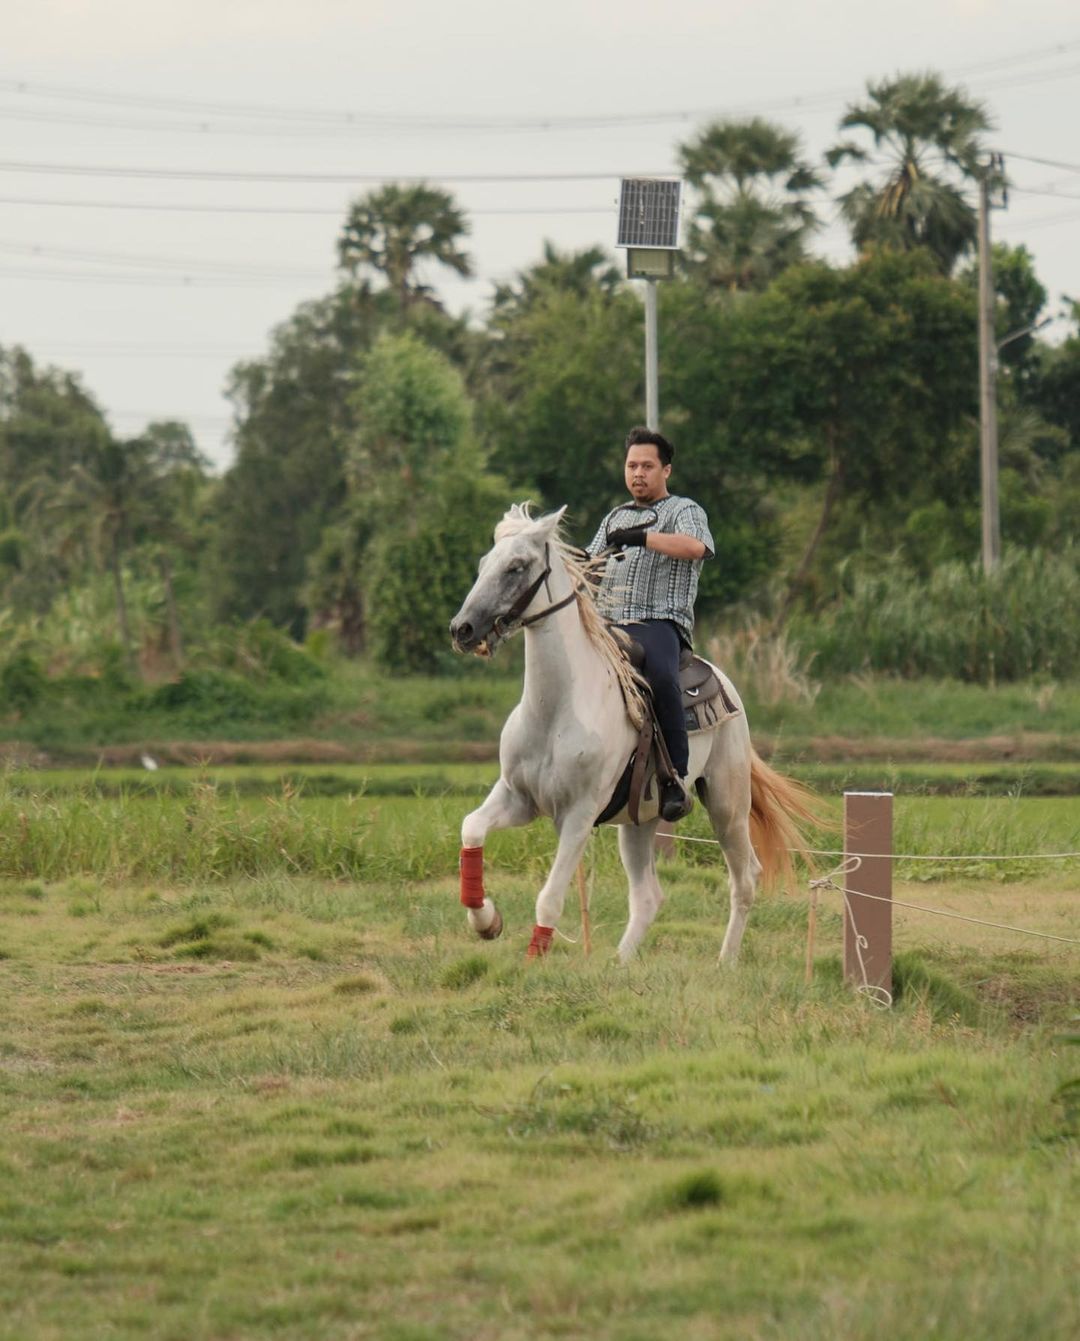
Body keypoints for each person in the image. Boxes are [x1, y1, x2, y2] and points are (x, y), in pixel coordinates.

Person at [586, 426, 714, 822]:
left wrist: (642, 538)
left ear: (666, 471)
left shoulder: (685, 510)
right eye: (631, 465)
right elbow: (589, 565)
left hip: (660, 623)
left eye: (646, 465)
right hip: (609, 623)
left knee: (660, 674)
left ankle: (675, 776)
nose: (637, 473)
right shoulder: (614, 517)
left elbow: (696, 547)